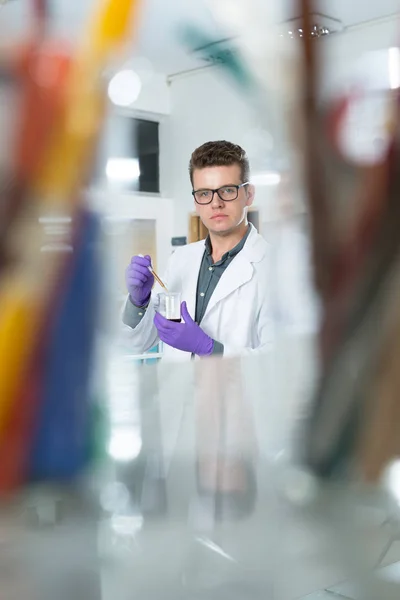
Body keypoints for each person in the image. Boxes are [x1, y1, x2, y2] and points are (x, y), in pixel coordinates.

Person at [121, 140, 274, 361]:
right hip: (177, 394)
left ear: (249, 194)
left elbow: (279, 364)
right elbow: (140, 342)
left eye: (227, 190)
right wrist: (139, 301)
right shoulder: (181, 259)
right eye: (204, 193)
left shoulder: (273, 268)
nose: (215, 203)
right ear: (195, 200)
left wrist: (209, 348)